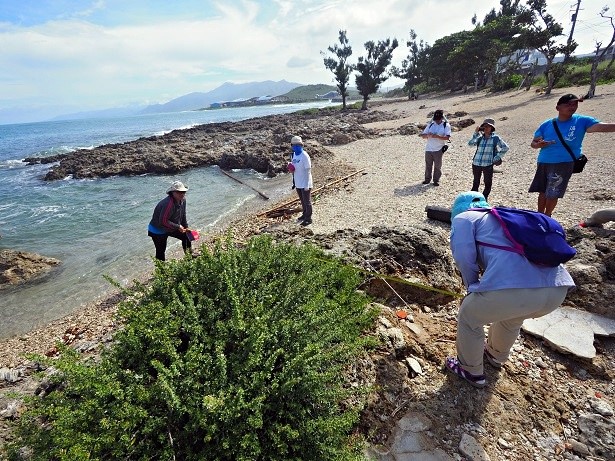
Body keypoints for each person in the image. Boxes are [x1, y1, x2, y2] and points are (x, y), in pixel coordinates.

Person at [445, 191, 575, 388]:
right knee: (512, 316)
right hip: (557, 291)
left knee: (469, 317)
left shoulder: (464, 218)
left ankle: (470, 370)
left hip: (516, 291)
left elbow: (464, 257)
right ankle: (496, 356)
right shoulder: (506, 218)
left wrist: (471, 288)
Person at [529, 93, 615, 216]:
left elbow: (601, 127)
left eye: (575, 104)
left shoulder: (582, 121)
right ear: (558, 107)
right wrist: (539, 145)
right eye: (568, 104)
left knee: (553, 192)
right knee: (542, 191)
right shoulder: (547, 124)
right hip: (544, 160)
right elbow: (534, 143)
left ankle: (547, 216)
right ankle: (539, 215)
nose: (572, 107)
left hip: (563, 162)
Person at [148, 180, 193, 261]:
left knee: (186, 236)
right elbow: (163, 221)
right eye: (179, 192)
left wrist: (186, 228)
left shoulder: (183, 200)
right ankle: (162, 270)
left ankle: (189, 257)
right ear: (172, 193)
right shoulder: (168, 203)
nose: (182, 194)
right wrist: (178, 226)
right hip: (158, 230)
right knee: (161, 251)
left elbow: (183, 215)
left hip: (170, 226)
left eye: (183, 192)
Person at [468, 118, 509, 200]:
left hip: (488, 164)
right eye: (485, 126)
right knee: (475, 182)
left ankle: (484, 198)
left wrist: (496, 158)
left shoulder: (495, 138)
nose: (486, 128)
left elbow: (505, 147)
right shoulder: (479, 137)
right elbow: (470, 144)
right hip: (476, 163)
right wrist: (475, 133)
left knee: (487, 182)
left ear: (492, 128)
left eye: (488, 126)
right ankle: (473, 198)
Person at [419, 109, 451, 186]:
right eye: (436, 119)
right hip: (429, 148)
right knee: (428, 165)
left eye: (438, 119)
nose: (437, 121)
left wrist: (437, 136)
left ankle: (436, 180)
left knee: (437, 166)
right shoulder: (430, 125)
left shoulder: (446, 125)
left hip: (438, 149)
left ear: (442, 118)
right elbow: (423, 135)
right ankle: (427, 179)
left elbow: (447, 137)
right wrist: (427, 135)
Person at [288, 135, 313, 226]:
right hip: (298, 182)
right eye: (294, 145)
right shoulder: (293, 155)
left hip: (306, 182)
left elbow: (308, 170)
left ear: (302, 145)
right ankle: (304, 214)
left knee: (307, 201)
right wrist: (291, 169)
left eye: (298, 145)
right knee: (302, 201)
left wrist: (306, 185)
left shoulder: (305, 156)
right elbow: (294, 169)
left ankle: (308, 218)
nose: (296, 147)